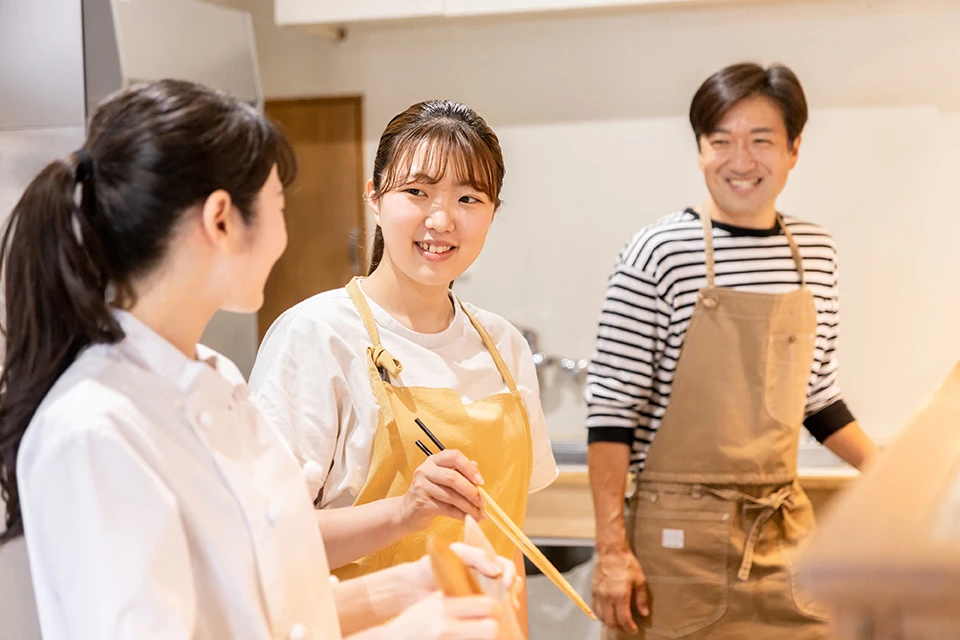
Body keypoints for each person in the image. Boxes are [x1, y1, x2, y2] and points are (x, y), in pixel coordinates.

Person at [0, 79, 514, 640]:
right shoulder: (95, 429)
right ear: (221, 220)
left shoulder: (219, 386)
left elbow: (270, 609)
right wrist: (407, 631)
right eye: (279, 206)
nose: (284, 236)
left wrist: (410, 587)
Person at [586, 62, 877, 639]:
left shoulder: (814, 253)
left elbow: (817, 399)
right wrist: (613, 552)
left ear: (793, 150)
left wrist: (896, 473)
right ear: (699, 150)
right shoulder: (659, 252)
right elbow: (611, 412)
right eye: (720, 141)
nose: (740, 161)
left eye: (761, 141)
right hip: (675, 548)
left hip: (782, 531)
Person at [248, 100, 558, 625]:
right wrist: (403, 512)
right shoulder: (317, 335)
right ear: (374, 197)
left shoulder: (504, 346)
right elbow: (263, 542)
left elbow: (505, 543)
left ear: (493, 211)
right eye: (417, 192)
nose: (441, 219)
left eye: (469, 198)